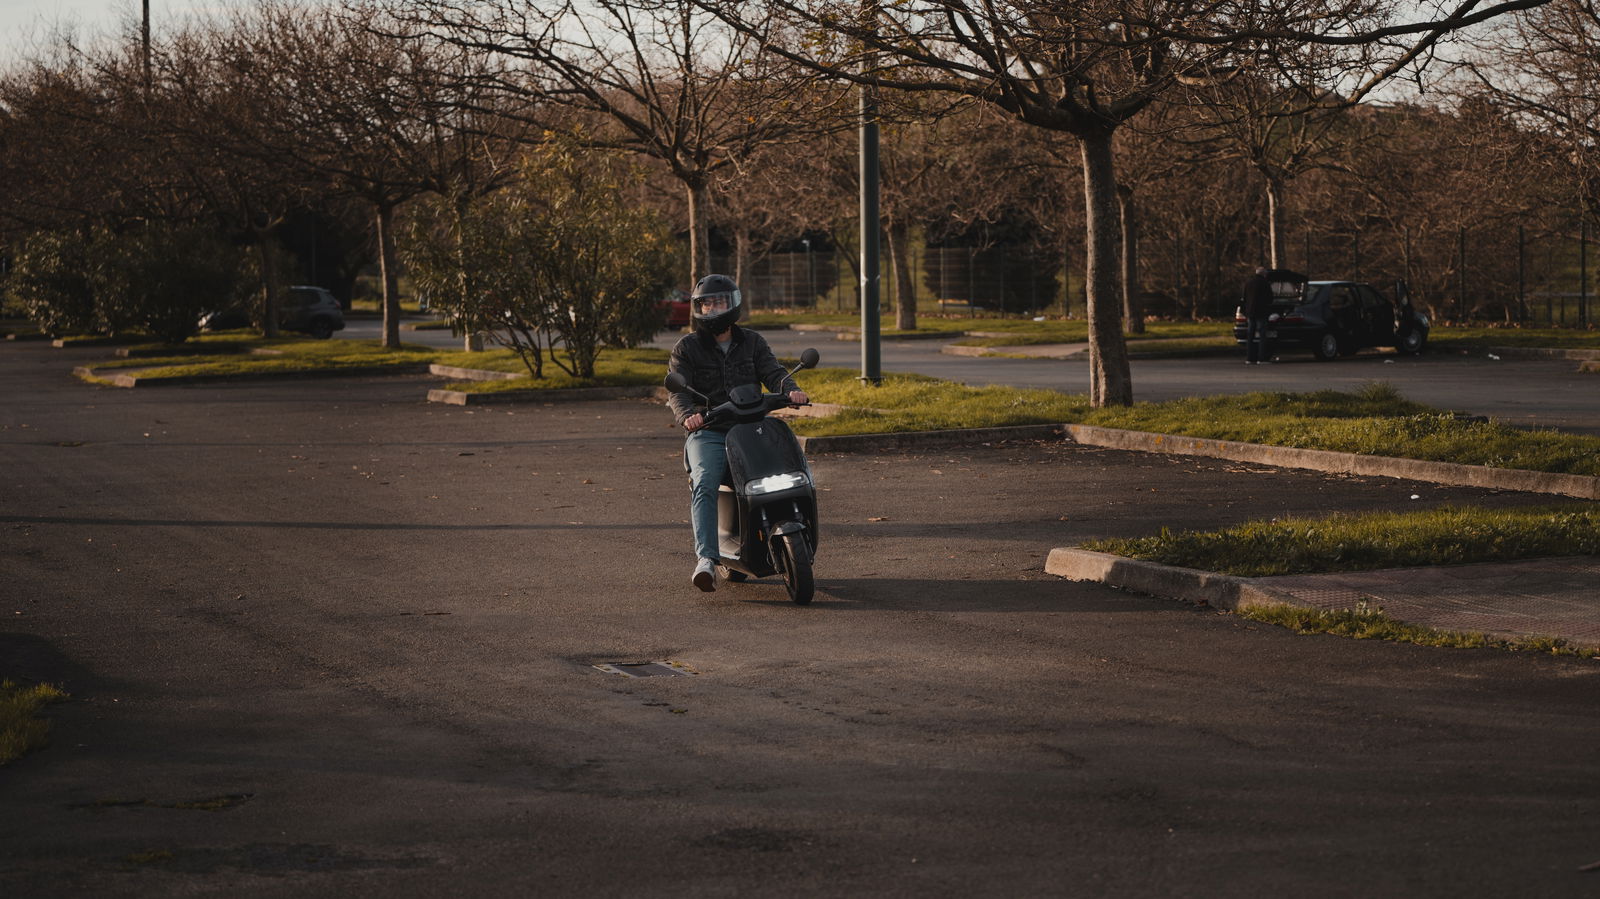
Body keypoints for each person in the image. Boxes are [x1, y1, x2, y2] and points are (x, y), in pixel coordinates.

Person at [666, 274, 808, 592]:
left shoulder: (753, 342)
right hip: (710, 431)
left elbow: (773, 371)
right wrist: (688, 416)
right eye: (705, 303)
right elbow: (677, 390)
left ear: (733, 304)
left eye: (718, 301)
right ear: (698, 309)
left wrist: (791, 390)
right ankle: (705, 559)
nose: (713, 308)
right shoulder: (686, 347)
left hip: (752, 429)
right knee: (704, 482)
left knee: (791, 469)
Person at [1241, 266, 1274, 365]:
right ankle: (1262, 358)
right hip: (1261, 312)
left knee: (1250, 335)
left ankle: (1250, 358)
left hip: (1250, 312)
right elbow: (1270, 298)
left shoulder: (1248, 282)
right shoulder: (1265, 283)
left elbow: (1245, 297)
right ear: (1264, 274)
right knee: (1262, 335)